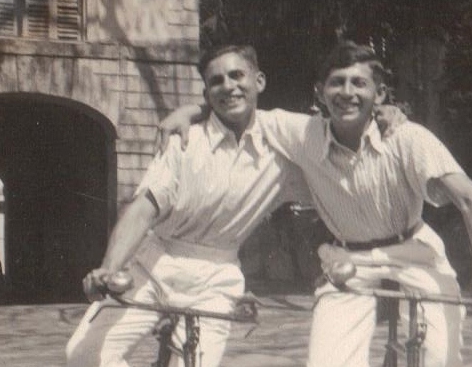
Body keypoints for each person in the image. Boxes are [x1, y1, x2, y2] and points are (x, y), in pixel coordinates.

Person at [158, 41, 472, 367]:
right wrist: (193, 110)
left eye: (359, 84)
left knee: (438, 355)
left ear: (380, 93)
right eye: (336, 83)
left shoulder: (407, 137)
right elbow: (239, 105)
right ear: (320, 93)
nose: (347, 93)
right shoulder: (302, 133)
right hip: (349, 260)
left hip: (415, 252)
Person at [66, 45, 318, 367]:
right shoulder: (183, 141)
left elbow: (332, 165)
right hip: (154, 265)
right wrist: (108, 269)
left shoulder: (281, 152)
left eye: (237, 75)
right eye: (216, 81)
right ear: (206, 92)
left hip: (216, 279)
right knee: (83, 356)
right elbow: (143, 209)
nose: (228, 86)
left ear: (260, 81)